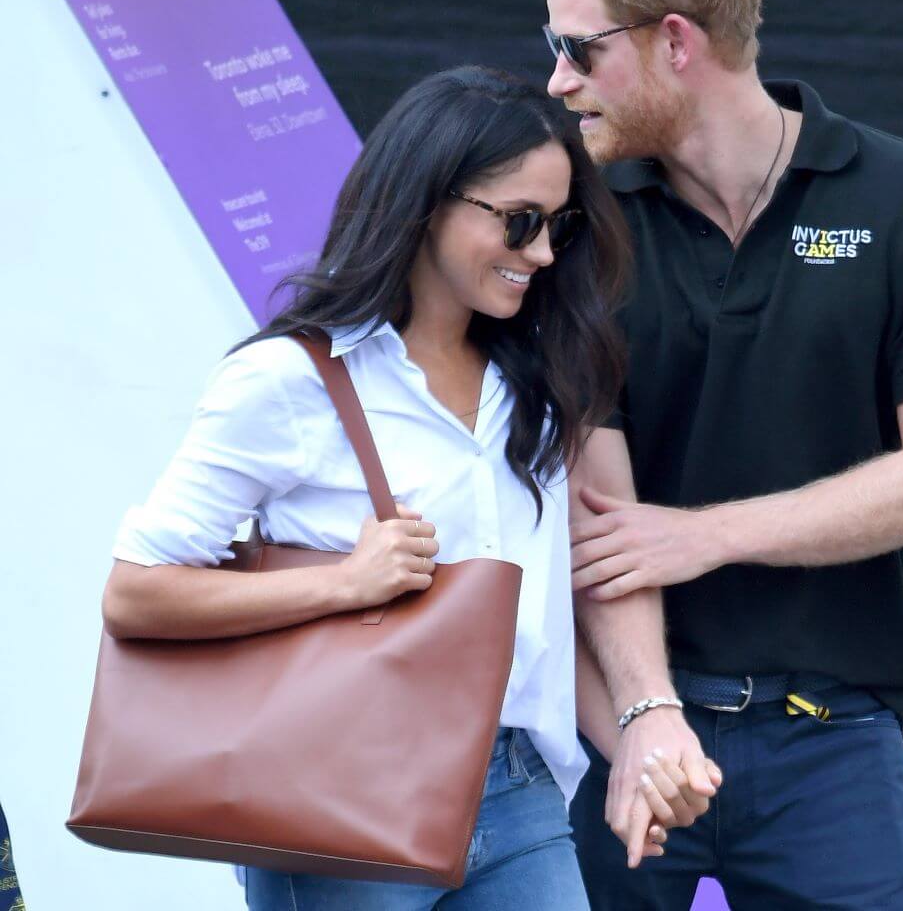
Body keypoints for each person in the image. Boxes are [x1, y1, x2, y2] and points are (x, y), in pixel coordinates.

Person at [100, 66, 709, 910]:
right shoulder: (289, 381)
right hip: (343, 792)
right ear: (429, 205)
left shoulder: (530, 385)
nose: (540, 252)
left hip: (521, 787)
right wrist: (343, 584)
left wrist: (638, 740)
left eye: (558, 227)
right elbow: (136, 593)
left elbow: (533, 626)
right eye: (520, 221)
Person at [525, 0, 903, 910]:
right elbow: (596, 509)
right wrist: (641, 714)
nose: (559, 80)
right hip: (614, 723)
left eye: (581, 50)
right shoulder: (569, 216)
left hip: (832, 735)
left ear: (676, 41)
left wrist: (706, 533)